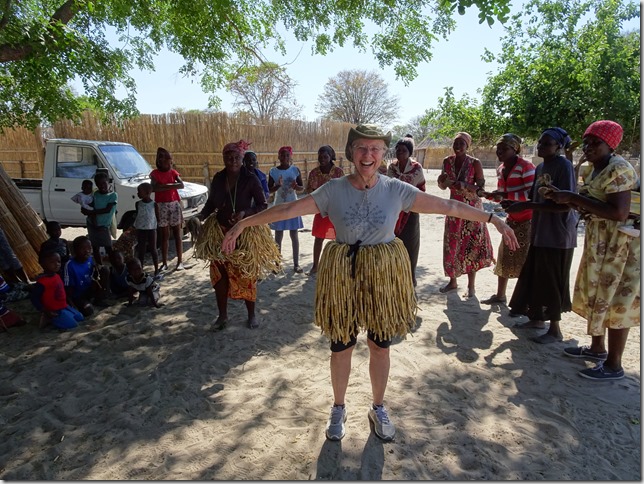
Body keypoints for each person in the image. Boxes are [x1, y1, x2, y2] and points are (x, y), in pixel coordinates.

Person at [221, 124, 519, 442]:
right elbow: (290, 208)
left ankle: (378, 407)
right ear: (351, 153)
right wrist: (244, 224)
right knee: (341, 345)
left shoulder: (396, 189)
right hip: (342, 273)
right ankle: (338, 407)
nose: (368, 155)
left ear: (383, 153)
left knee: (380, 346)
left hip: (384, 274)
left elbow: (448, 206)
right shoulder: (333, 190)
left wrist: (492, 219)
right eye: (362, 148)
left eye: (375, 148)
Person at [543, 121, 639, 380]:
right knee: (598, 293)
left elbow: (619, 213)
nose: (589, 147)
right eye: (586, 141)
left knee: (616, 299)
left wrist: (573, 198)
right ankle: (597, 349)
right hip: (600, 242)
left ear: (611, 145)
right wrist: (565, 198)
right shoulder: (594, 169)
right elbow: (592, 203)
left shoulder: (619, 169)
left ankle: (614, 365)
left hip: (620, 246)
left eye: (597, 142)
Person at [502, 127, 578, 344]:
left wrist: (527, 206)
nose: (540, 146)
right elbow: (536, 200)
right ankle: (536, 319)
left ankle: (555, 330)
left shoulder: (564, 166)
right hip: (540, 231)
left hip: (557, 234)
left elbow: (566, 204)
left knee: (552, 280)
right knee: (536, 276)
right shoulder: (541, 167)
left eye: (546, 143)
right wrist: (515, 204)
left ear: (559, 146)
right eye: (540, 142)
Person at [197, 140, 269, 330]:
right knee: (220, 275)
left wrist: (245, 213)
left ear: (242, 158)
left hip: (244, 233)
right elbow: (211, 203)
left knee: (246, 274)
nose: (233, 160)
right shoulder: (219, 178)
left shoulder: (250, 178)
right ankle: (222, 316)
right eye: (228, 157)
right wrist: (201, 216)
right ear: (223, 158)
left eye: (236, 157)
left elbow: (262, 205)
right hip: (220, 234)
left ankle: (251, 315)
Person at [480, 134, 536, 304]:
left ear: (515, 149)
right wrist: (488, 195)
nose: (499, 152)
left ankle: (524, 301)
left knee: (525, 260)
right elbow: (502, 196)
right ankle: (500, 295)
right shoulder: (501, 169)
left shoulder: (526, 167)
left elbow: (531, 195)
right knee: (504, 256)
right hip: (512, 219)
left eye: (504, 149)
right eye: (498, 149)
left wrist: (504, 196)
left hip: (528, 219)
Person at [437, 132, 494, 297]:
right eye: (455, 143)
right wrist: (441, 182)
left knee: (471, 245)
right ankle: (453, 282)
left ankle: (471, 286)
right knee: (452, 244)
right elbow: (443, 186)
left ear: (467, 146)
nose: (457, 146)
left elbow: (481, 188)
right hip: (453, 208)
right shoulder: (447, 162)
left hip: (471, 209)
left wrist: (465, 185)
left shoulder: (475, 163)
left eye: (461, 143)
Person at [387, 135, 426, 287]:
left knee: (410, 244)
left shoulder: (416, 168)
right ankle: (395, 277)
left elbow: (418, 191)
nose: (400, 153)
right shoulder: (392, 167)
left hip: (411, 211)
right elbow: (390, 188)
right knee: (394, 243)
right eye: (398, 150)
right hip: (394, 211)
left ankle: (411, 277)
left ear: (409, 153)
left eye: (403, 150)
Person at [305, 145, 345, 275]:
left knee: (339, 239)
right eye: (320, 157)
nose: (322, 159)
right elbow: (309, 190)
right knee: (319, 238)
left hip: (337, 209)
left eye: (325, 156)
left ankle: (339, 266)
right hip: (321, 209)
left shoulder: (338, 172)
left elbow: (344, 190)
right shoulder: (314, 173)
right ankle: (315, 266)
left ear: (331, 156)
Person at [268, 146, 304, 273]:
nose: (285, 157)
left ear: (290, 157)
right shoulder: (273, 171)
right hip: (279, 206)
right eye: (282, 155)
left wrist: (296, 187)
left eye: (287, 155)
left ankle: (296, 264)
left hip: (293, 205)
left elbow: (302, 188)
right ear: (278, 157)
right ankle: (277, 264)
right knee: (278, 235)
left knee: (294, 235)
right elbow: (269, 190)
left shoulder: (295, 170)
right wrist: (277, 186)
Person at [150, 147, 185, 271]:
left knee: (177, 235)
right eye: (167, 162)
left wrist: (163, 186)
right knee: (164, 236)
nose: (169, 164)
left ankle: (180, 261)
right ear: (159, 162)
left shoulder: (173, 173)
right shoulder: (154, 174)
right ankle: (164, 263)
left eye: (170, 162)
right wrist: (171, 186)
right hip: (161, 206)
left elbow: (181, 185)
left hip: (174, 204)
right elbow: (153, 188)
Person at [32, 251, 84, 330]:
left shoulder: (57, 276)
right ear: (42, 264)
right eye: (52, 262)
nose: (57, 264)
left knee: (80, 317)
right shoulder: (41, 282)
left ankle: (64, 315)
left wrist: (70, 303)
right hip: (54, 310)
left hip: (63, 306)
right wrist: (45, 311)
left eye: (58, 261)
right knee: (72, 324)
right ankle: (48, 318)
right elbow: (34, 298)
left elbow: (62, 291)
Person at [63, 235, 108, 317]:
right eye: (83, 248)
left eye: (89, 248)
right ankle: (85, 303)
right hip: (78, 295)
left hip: (89, 289)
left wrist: (97, 270)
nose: (87, 251)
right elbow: (68, 289)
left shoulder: (89, 259)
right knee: (88, 311)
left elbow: (93, 275)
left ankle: (98, 299)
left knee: (105, 269)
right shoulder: (70, 265)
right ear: (75, 250)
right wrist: (72, 305)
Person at [81, 171, 117, 265]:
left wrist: (91, 212)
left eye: (104, 183)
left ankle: (114, 267)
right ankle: (100, 266)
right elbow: (88, 206)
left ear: (108, 182)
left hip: (104, 226)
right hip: (92, 224)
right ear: (96, 184)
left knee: (108, 247)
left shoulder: (113, 195)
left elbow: (107, 210)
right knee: (95, 247)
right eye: (99, 184)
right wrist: (87, 211)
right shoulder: (95, 194)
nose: (102, 186)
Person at [133, 182, 160, 277]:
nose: (138, 194)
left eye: (139, 192)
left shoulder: (154, 205)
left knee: (153, 249)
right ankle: (140, 269)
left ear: (147, 192)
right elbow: (138, 216)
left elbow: (157, 217)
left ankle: (156, 270)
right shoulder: (138, 204)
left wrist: (157, 228)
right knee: (141, 250)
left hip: (151, 229)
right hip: (140, 229)